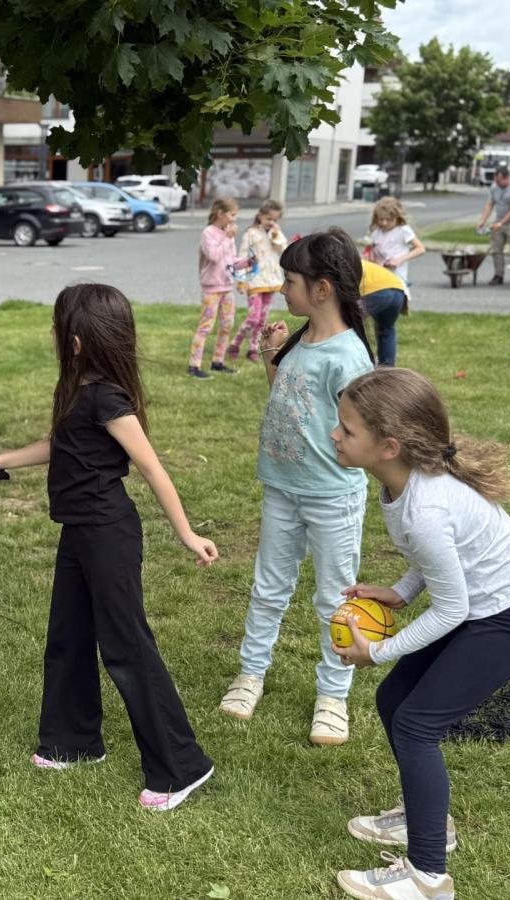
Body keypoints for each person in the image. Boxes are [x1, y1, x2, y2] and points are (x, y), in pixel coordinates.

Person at [0, 283, 218, 811]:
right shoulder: (77, 387)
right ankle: (73, 742)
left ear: (77, 340)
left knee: (126, 647)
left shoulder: (107, 397)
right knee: (68, 636)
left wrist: (187, 533)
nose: (51, 333)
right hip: (79, 531)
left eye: (57, 325)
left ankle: (183, 767)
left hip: (108, 534)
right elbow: (60, 444)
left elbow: (151, 467)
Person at [328, 367, 510, 900]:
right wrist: (401, 592)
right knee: (394, 699)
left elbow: (451, 607)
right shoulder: (404, 486)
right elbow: (435, 559)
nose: (335, 435)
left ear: (388, 446)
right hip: (482, 611)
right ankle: (425, 819)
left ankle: (428, 876)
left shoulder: (425, 508)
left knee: (416, 725)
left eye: (347, 429)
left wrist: (378, 650)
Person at [218, 229, 374, 746]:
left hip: (332, 497)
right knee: (268, 588)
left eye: (289, 280)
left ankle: (333, 696)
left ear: (321, 289)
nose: (282, 288)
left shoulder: (347, 357)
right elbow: (289, 402)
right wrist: (271, 352)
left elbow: (361, 432)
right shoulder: (301, 341)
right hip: (282, 489)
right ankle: (250, 674)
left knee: (333, 598)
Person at [190, 198, 254, 379]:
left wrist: (248, 262)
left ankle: (218, 361)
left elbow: (231, 260)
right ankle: (194, 365)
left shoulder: (228, 235)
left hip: (227, 286)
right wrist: (227, 237)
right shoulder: (208, 233)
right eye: (232, 215)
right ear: (220, 213)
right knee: (206, 326)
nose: (234, 219)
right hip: (211, 288)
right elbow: (214, 256)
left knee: (227, 325)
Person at [228, 199, 288, 363]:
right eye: (269, 218)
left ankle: (253, 348)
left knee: (262, 320)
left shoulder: (276, 233)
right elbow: (242, 257)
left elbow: (284, 249)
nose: (272, 222)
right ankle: (235, 344)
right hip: (254, 281)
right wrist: (241, 280)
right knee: (253, 318)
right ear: (260, 216)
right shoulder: (251, 234)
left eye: (275, 219)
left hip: (271, 282)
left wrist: (276, 235)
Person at [476, 167, 510, 286]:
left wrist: (501, 223)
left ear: (507, 178)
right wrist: (482, 220)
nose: (497, 184)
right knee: (496, 248)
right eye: (496, 181)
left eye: (499, 181)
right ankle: (498, 275)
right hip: (499, 220)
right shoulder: (494, 187)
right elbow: (490, 204)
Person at [365, 197, 426, 290]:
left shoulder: (403, 230)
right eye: (381, 219)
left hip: (398, 280)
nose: (384, 223)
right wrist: (369, 257)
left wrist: (399, 260)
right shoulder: (376, 233)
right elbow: (370, 252)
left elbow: (421, 249)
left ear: (397, 217)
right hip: (380, 279)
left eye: (388, 219)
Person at [360, 259, 408, 366]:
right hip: (398, 288)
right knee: (387, 330)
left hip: (377, 291)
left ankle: (361, 365)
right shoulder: (358, 261)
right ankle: (387, 370)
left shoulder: (342, 263)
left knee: (351, 325)